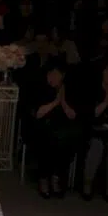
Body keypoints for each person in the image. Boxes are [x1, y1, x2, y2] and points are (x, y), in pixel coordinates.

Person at [31, 64, 80, 199]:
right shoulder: (40, 90)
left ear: (62, 76)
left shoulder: (69, 90)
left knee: (67, 140)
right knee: (47, 140)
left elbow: (72, 115)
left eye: (56, 74)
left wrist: (62, 101)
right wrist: (54, 103)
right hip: (43, 127)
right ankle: (44, 178)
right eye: (50, 74)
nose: (52, 77)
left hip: (63, 130)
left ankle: (56, 177)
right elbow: (38, 114)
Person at [81, 62, 108, 201]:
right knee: (97, 144)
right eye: (107, 69)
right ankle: (87, 184)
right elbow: (91, 114)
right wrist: (105, 102)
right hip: (95, 129)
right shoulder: (93, 89)